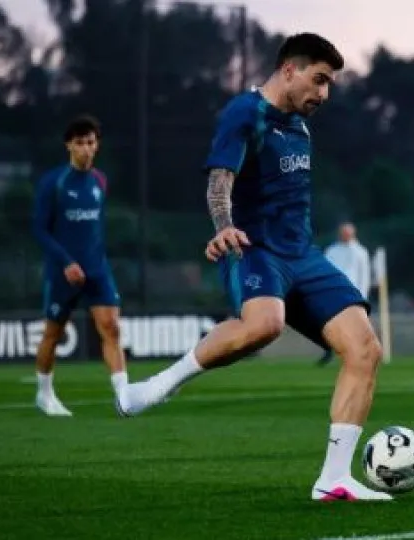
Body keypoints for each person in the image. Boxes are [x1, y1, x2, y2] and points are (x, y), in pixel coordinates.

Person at [117, 33, 390, 502]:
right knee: (266, 324)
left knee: (366, 350)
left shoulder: (300, 127)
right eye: (319, 80)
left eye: (329, 85)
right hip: (254, 249)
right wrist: (222, 225)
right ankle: (159, 385)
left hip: (303, 256)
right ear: (290, 69)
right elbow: (219, 181)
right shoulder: (245, 112)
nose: (323, 94)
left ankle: (335, 479)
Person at [32, 115, 129, 417]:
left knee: (111, 328)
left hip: (97, 271)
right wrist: (66, 262)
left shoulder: (100, 180)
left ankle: (124, 397)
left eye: (91, 142)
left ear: (97, 145)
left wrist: (93, 261)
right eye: (80, 143)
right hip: (64, 274)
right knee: (53, 333)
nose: (86, 149)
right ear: (68, 146)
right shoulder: (53, 183)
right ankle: (45, 395)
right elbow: (39, 230)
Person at [317, 222, 371, 366]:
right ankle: (329, 350)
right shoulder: (332, 250)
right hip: (333, 291)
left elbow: (364, 275)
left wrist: (362, 295)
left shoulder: (361, 252)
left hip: (352, 293)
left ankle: (357, 352)